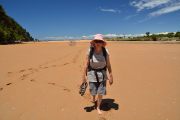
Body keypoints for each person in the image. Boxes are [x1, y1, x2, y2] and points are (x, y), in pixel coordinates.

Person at [82, 34, 113, 114]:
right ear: (94, 42)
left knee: (101, 92)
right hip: (92, 73)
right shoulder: (90, 51)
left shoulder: (105, 51)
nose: (98, 43)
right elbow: (86, 64)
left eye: (100, 41)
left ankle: (98, 107)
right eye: (96, 41)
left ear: (102, 43)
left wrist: (111, 75)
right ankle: (93, 97)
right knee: (93, 90)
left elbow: (108, 65)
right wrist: (83, 76)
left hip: (102, 74)